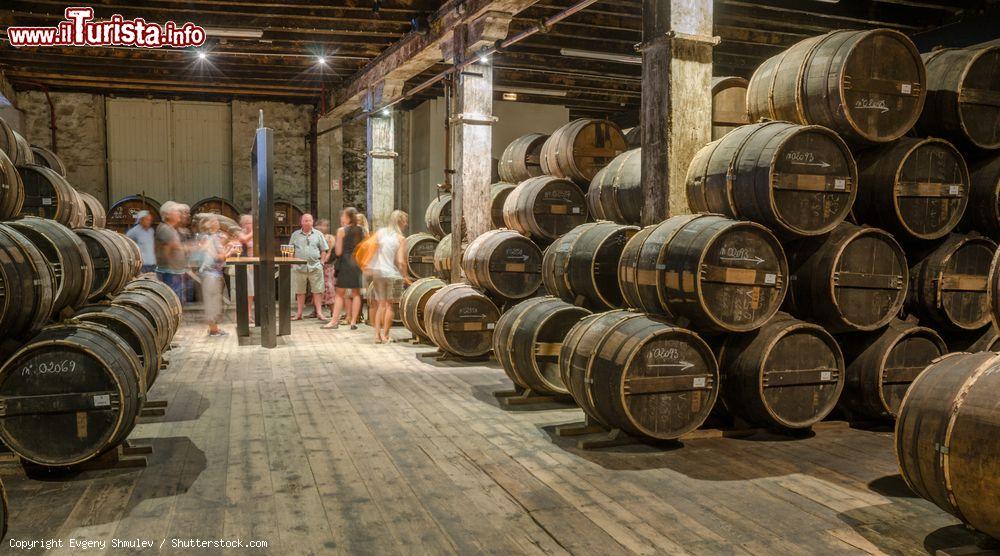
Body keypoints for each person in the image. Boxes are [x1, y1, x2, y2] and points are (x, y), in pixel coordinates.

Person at [366, 210, 411, 343]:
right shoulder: (400, 239)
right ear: (400, 222)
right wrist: (406, 276)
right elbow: (401, 261)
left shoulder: (380, 233)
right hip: (392, 274)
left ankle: (376, 335)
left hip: (378, 272)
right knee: (390, 306)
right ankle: (385, 336)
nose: (406, 224)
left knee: (380, 304)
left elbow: (372, 250)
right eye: (405, 221)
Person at [323, 207, 366, 330]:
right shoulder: (362, 230)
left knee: (339, 294)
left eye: (343, 216)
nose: (341, 218)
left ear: (347, 217)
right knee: (356, 294)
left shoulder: (342, 230)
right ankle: (353, 322)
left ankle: (334, 321)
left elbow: (338, 251)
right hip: (357, 262)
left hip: (346, 263)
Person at [197, 215, 234, 336]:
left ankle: (214, 328)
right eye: (215, 221)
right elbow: (218, 257)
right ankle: (213, 330)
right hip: (211, 274)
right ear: (210, 224)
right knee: (213, 303)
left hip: (211, 274)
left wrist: (226, 248)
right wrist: (230, 251)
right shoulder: (211, 238)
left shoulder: (210, 237)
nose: (218, 222)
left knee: (213, 302)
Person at [290, 213, 330, 321]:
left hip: (315, 266)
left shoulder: (318, 234)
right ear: (301, 222)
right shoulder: (295, 235)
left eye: (310, 220)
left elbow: (323, 250)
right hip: (299, 267)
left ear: (313, 222)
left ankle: (319, 313)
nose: (308, 222)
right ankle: (299, 313)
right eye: (305, 220)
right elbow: (290, 249)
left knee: (317, 291)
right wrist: (293, 263)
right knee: (300, 291)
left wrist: (322, 262)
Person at [154, 201, 188, 301]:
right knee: (173, 302)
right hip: (170, 274)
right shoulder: (165, 229)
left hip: (174, 272)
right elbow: (175, 248)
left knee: (177, 302)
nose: (179, 214)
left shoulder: (171, 229)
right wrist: (199, 246)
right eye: (176, 211)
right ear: (167, 214)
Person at [236, 214, 255, 323]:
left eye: (250, 222)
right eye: (246, 223)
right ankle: (247, 314)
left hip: (255, 264)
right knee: (248, 292)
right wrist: (254, 232)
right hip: (245, 265)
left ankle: (253, 314)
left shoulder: (257, 234)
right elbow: (243, 240)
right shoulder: (240, 232)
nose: (248, 225)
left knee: (254, 291)